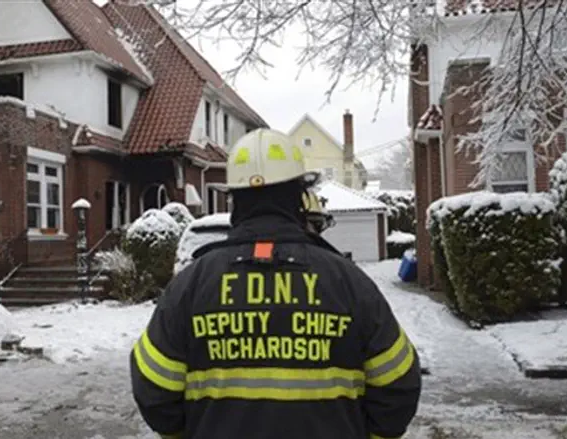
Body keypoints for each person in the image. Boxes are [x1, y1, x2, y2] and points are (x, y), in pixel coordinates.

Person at [129, 128, 422, 439]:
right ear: (298, 196)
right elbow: (399, 385)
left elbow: (153, 387)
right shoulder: (349, 283)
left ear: (235, 201)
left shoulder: (191, 285)